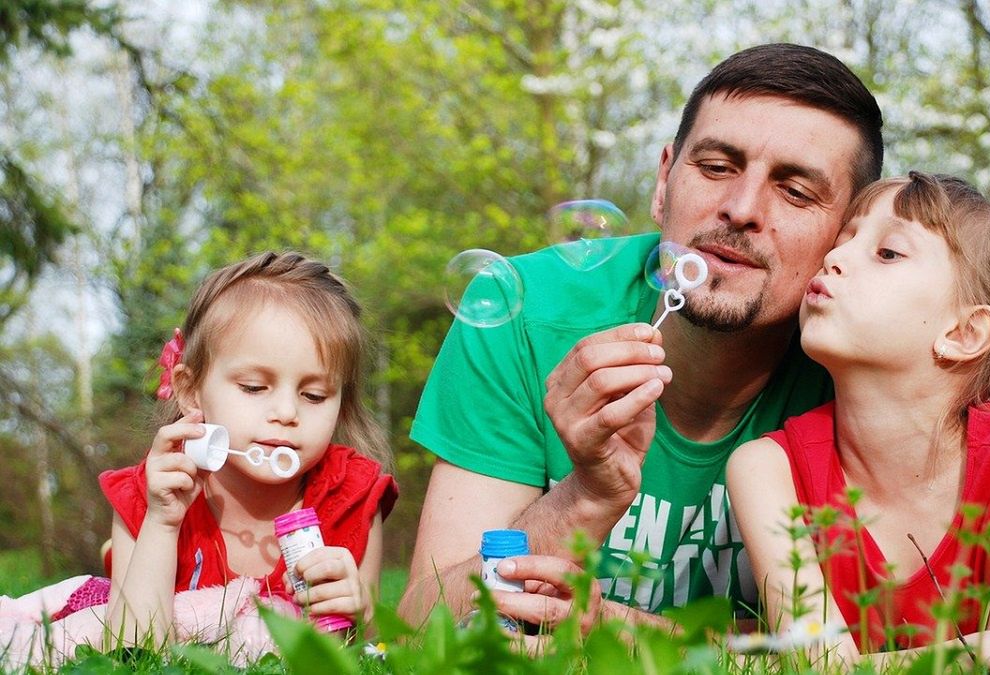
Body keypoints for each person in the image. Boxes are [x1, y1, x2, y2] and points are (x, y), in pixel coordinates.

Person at [399, 43, 884, 629]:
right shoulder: (519, 309)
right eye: (716, 167)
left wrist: (629, 637)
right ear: (663, 182)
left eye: (796, 191)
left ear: (846, 237)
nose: (741, 208)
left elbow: (867, 647)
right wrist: (585, 497)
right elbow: (423, 624)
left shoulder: (869, 366)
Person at [726, 172, 990, 672]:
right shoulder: (766, 468)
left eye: (888, 253)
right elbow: (818, 664)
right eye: (845, 238)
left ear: (964, 333)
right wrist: (986, 651)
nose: (834, 257)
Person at [100, 251, 398, 643]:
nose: (287, 412)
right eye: (254, 388)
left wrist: (362, 611)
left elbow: (373, 652)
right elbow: (130, 651)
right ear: (191, 391)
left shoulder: (352, 497)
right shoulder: (149, 496)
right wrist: (162, 524)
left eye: (314, 395)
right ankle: (113, 562)